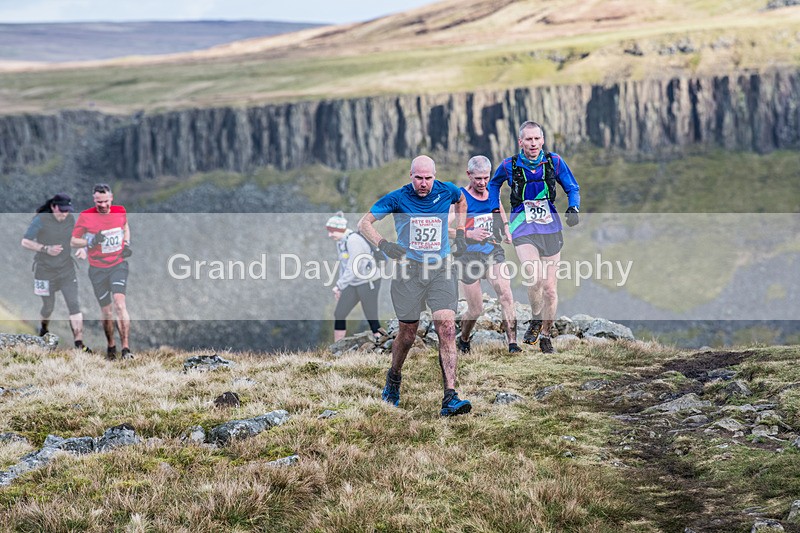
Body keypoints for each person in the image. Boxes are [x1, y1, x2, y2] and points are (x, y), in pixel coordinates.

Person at [358, 155, 472, 417]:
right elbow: (364, 223)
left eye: (428, 178)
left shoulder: (447, 191)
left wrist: (462, 230)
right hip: (408, 272)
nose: (424, 184)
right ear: (411, 176)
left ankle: (450, 397)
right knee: (408, 334)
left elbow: (462, 199)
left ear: (435, 176)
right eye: (418, 178)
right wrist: (384, 245)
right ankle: (394, 376)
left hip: (440, 269)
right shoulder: (398, 198)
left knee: (446, 326)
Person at [488, 121, 581, 354]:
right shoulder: (509, 165)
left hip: (550, 228)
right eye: (528, 139)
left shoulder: (554, 162)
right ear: (521, 142)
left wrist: (573, 208)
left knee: (550, 289)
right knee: (535, 277)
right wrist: (495, 212)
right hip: (523, 226)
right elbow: (493, 184)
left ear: (542, 140)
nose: (533, 143)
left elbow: (572, 187)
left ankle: (546, 336)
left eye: (537, 139)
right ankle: (536, 318)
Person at [449, 156, 521, 354]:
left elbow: (499, 208)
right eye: (478, 178)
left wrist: (506, 228)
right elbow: (444, 228)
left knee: (505, 293)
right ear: (469, 175)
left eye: (486, 178)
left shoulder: (492, 193)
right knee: (476, 309)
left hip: (492, 250)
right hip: (467, 256)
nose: (482, 183)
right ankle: (463, 339)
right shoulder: (460, 198)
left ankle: (513, 344)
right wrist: (469, 234)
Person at [21, 193, 91, 352]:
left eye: (67, 210)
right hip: (44, 271)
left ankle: (79, 344)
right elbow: (25, 241)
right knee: (48, 307)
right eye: (62, 210)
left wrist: (81, 248)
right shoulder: (41, 220)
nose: (64, 213)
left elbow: (74, 239)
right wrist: (46, 249)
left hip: (66, 270)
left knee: (74, 305)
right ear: (53, 207)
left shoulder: (70, 220)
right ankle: (43, 329)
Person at [70, 183, 134, 360]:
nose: (103, 206)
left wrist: (126, 244)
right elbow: (73, 241)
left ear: (111, 198)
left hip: (118, 264)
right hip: (97, 269)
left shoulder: (120, 211)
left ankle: (126, 349)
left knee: (120, 304)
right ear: (94, 200)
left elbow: (125, 227)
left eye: (106, 201)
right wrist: (91, 242)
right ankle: (111, 346)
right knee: (106, 311)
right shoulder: (86, 217)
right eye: (99, 202)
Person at [326, 211, 385, 342]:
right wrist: (341, 287)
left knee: (371, 317)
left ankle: (384, 346)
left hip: (369, 282)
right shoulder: (341, 241)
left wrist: (339, 285)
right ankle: (337, 348)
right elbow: (344, 265)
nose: (329, 235)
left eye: (332, 231)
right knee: (339, 313)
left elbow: (354, 267)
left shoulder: (353, 240)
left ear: (340, 229)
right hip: (353, 283)